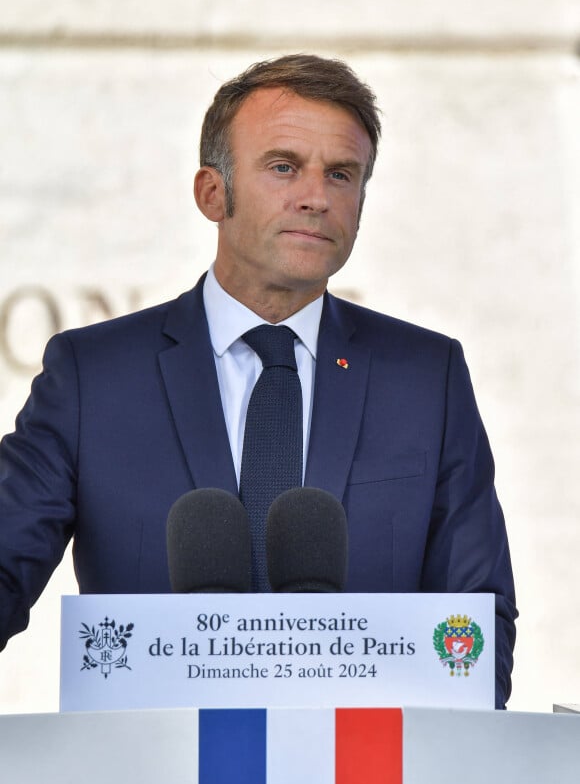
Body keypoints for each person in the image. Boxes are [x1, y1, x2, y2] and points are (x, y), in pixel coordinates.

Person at [0, 54, 516, 706]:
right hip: (150, 783)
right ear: (212, 193)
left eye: (341, 174)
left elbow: (475, 624)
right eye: (283, 167)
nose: (316, 196)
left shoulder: (425, 379)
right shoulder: (93, 378)